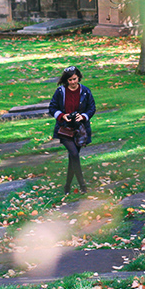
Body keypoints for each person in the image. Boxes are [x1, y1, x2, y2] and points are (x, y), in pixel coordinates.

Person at [48, 65, 96, 195]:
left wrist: (84, 116)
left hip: (80, 130)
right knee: (74, 154)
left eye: (75, 79)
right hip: (64, 129)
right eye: (70, 80)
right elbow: (52, 108)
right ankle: (83, 186)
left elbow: (92, 108)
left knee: (72, 158)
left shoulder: (85, 91)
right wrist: (62, 115)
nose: (73, 82)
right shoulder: (60, 92)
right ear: (66, 81)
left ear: (79, 78)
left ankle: (67, 186)